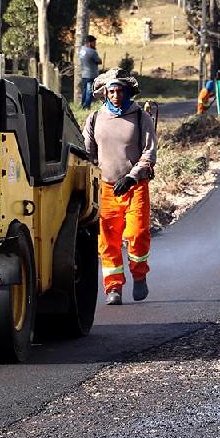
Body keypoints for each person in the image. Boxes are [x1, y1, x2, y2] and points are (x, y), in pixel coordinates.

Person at [84, 73, 157, 306]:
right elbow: (87, 153)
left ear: (127, 92)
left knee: (137, 233)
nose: (116, 96)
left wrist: (132, 176)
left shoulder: (140, 116)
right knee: (108, 240)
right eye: (111, 91)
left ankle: (139, 275)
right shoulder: (95, 118)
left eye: (120, 91)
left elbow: (149, 152)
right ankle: (113, 287)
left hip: (135, 187)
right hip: (106, 189)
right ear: (105, 92)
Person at [78, 35, 101, 109]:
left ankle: (82, 104)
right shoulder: (92, 51)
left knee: (84, 90)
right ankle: (87, 106)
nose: (95, 44)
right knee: (90, 91)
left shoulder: (82, 50)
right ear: (89, 43)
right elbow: (99, 61)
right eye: (94, 42)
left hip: (84, 73)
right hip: (91, 74)